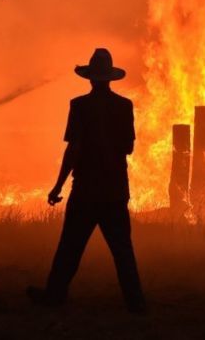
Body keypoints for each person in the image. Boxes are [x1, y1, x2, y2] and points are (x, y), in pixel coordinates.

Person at [27, 48, 146, 313]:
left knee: (70, 247)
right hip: (115, 190)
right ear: (109, 79)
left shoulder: (79, 106)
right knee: (123, 251)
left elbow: (73, 149)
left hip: (86, 191)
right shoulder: (124, 106)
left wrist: (58, 186)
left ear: (91, 78)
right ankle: (136, 304)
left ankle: (54, 295)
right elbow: (128, 147)